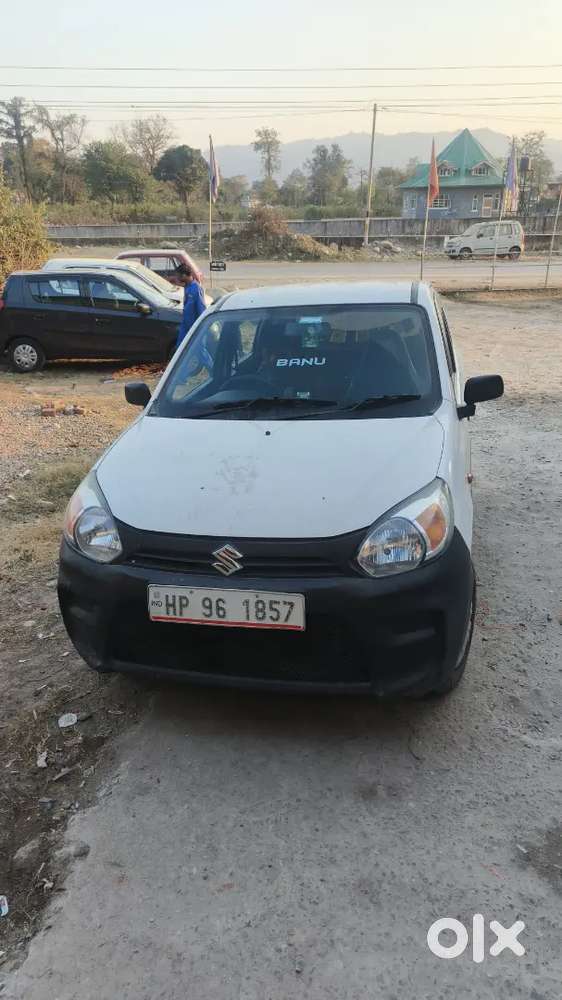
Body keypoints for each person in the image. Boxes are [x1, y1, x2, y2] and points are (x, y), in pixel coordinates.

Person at [174, 264, 207, 349]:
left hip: (193, 328)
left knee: (199, 349)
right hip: (185, 326)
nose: (177, 278)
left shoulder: (196, 288)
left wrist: (200, 327)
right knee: (180, 349)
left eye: (178, 276)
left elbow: (201, 309)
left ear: (184, 275)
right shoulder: (187, 287)